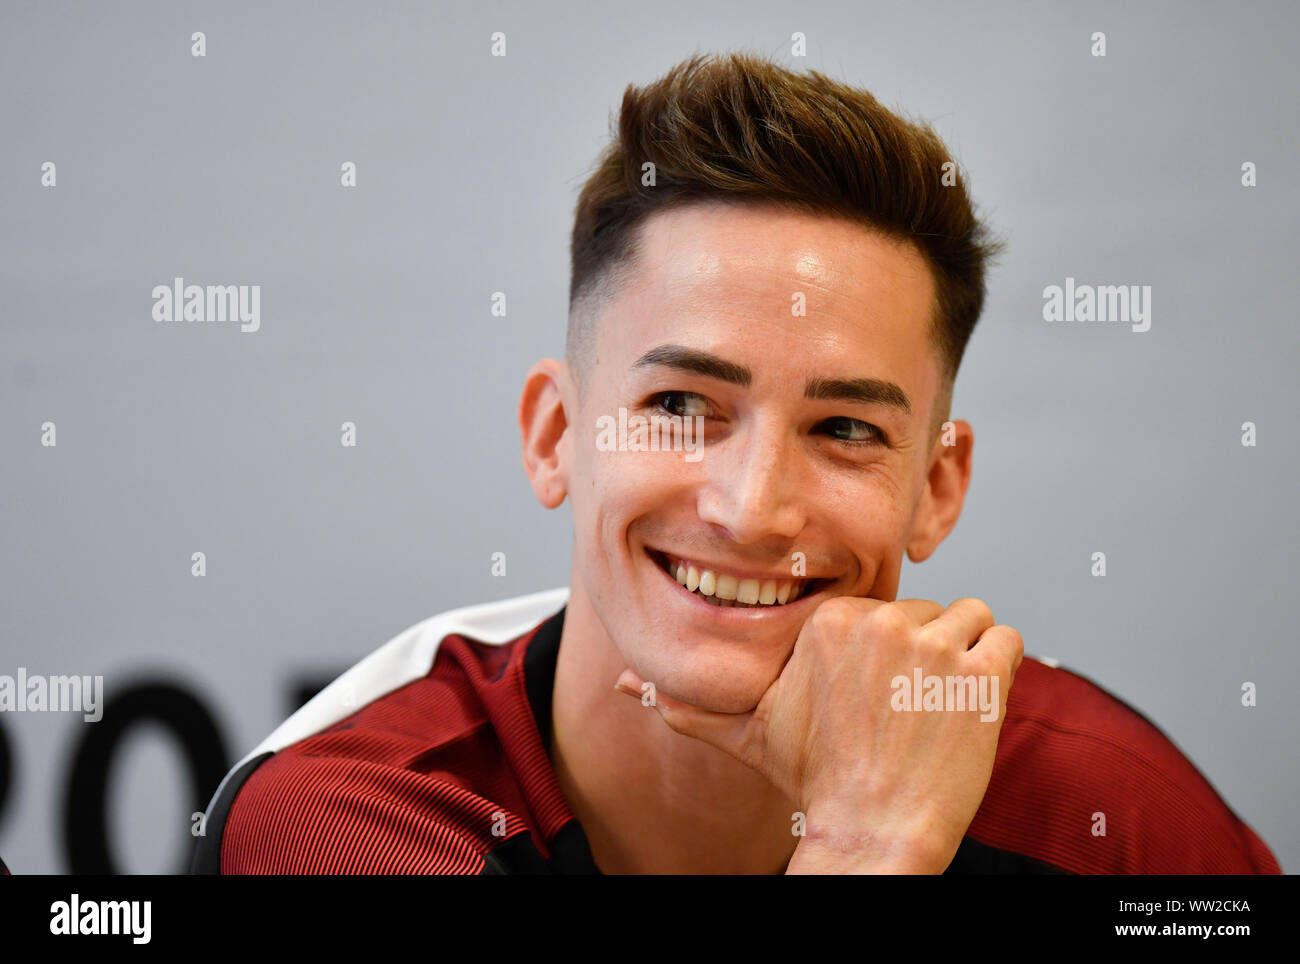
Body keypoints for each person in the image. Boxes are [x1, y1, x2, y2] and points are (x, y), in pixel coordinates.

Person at [192, 52, 1280, 875]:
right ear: (555, 435)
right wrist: (862, 846)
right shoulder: (348, 818)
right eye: (680, 406)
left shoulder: (1109, 812)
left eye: (845, 429)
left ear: (937, 487)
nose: (754, 509)